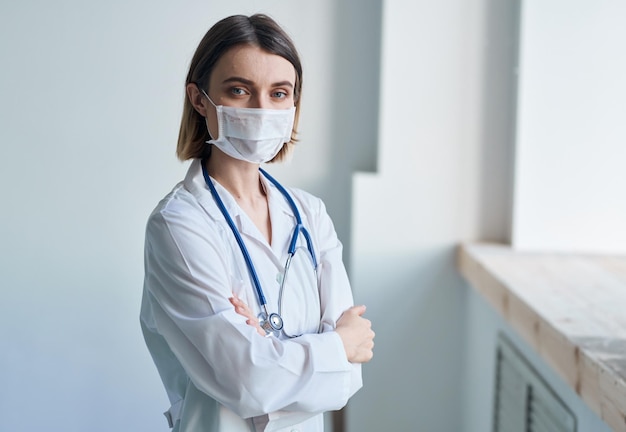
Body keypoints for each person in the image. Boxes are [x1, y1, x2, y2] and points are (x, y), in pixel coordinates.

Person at [140, 13, 375, 432]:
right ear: (199, 99)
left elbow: (348, 380)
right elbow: (248, 382)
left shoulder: (309, 215)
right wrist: (332, 346)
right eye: (239, 90)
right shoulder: (178, 226)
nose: (262, 109)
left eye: (279, 93)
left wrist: (271, 357)